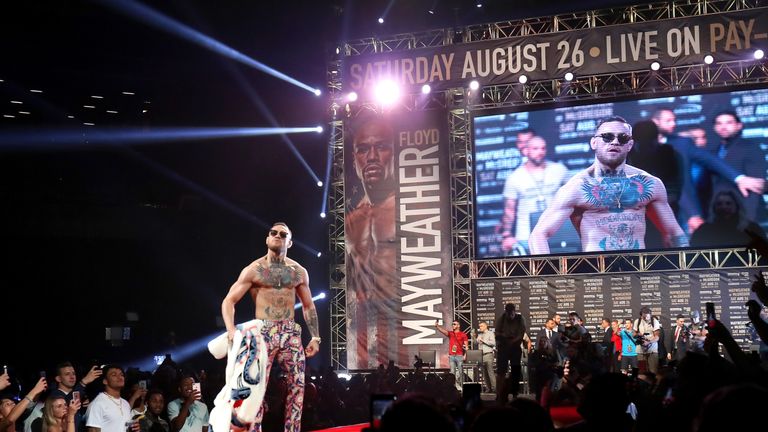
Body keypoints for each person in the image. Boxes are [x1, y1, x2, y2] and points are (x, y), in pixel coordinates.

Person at [529, 116, 689, 254]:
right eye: (607, 137)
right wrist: (547, 276)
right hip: (595, 275)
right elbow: (538, 235)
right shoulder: (576, 188)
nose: (615, 141)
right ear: (593, 143)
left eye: (622, 138)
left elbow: (674, 232)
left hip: (637, 273)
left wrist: (686, 271)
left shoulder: (649, 184)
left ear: (630, 145)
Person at [219, 222, 320, 432]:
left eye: (283, 234)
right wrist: (231, 331)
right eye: (273, 233)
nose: (277, 236)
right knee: (255, 390)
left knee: (298, 386)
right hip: (263, 331)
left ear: (289, 242)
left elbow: (309, 305)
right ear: (267, 239)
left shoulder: (298, 272)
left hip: (290, 331)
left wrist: (315, 337)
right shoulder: (254, 270)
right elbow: (229, 301)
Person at [650, 108, 765, 231]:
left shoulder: (681, 143)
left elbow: (711, 161)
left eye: (674, 120)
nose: (673, 124)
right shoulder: (633, 146)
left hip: (687, 215)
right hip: (651, 214)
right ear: (655, 122)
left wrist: (739, 178)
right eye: (668, 121)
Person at [344, 116, 399, 368]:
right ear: (355, 159)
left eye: (382, 146)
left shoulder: (408, 210)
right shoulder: (352, 220)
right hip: (363, 328)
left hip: (403, 324)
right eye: (363, 149)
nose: (372, 156)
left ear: (394, 153)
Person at [498, 136, 569, 255]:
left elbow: (574, 198)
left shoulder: (559, 170)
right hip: (526, 235)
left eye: (543, 148)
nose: (540, 152)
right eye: (535, 148)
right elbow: (509, 210)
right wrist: (507, 235)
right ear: (526, 151)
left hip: (556, 231)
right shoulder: (514, 177)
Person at [708, 111, 766, 221]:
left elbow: (755, 186)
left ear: (739, 126)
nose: (723, 127)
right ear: (714, 128)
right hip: (719, 216)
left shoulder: (751, 148)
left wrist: (748, 220)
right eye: (719, 123)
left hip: (745, 215)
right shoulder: (713, 152)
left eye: (729, 123)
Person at [690, 189, 767, 248]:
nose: (724, 207)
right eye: (719, 204)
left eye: (728, 203)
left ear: (736, 206)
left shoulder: (752, 228)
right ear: (714, 208)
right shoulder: (703, 230)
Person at [85, 365, 138, 432]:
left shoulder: (125, 403)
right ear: (105, 381)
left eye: (121, 374)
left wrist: (134, 428)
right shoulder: (97, 404)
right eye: (114, 375)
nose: (120, 377)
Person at [494, 303, 526, 403]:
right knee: (501, 371)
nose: (510, 316)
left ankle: (515, 393)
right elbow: (497, 332)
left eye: (511, 314)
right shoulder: (502, 319)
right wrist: (504, 337)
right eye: (508, 314)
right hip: (503, 347)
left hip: (515, 346)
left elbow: (521, 333)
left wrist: (513, 341)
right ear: (506, 311)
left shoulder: (520, 319)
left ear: (514, 311)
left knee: (515, 370)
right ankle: (499, 394)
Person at [434, 320, 468, 390]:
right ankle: (453, 388)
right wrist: (437, 326)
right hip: (452, 356)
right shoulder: (451, 333)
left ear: (458, 325)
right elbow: (443, 331)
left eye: (455, 324)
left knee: (461, 372)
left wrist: (465, 355)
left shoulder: (463, 334)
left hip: (459, 356)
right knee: (452, 373)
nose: (453, 325)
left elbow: (467, 347)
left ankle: (463, 388)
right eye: (452, 324)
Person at [633, 306, 662, 374]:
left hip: (652, 349)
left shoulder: (654, 321)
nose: (646, 319)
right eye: (644, 317)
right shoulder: (637, 321)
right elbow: (633, 334)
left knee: (653, 371)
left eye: (648, 317)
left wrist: (648, 342)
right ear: (641, 315)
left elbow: (657, 337)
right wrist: (638, 335)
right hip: (640, 350)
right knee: (641, 371)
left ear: (650, 315)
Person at [475, 321, 496, 393]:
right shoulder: (479, 335)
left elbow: (493, 343)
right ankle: (488, 388)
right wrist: (474, 338)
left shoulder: (490, 333)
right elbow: (476, 343)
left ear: (486, 326)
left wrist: (483, 340)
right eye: (479, 326)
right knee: (484, 373)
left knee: (490, 372)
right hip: (481, 355)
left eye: (481, 326)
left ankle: (494, 388)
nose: (480, 327)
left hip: (488, 354)